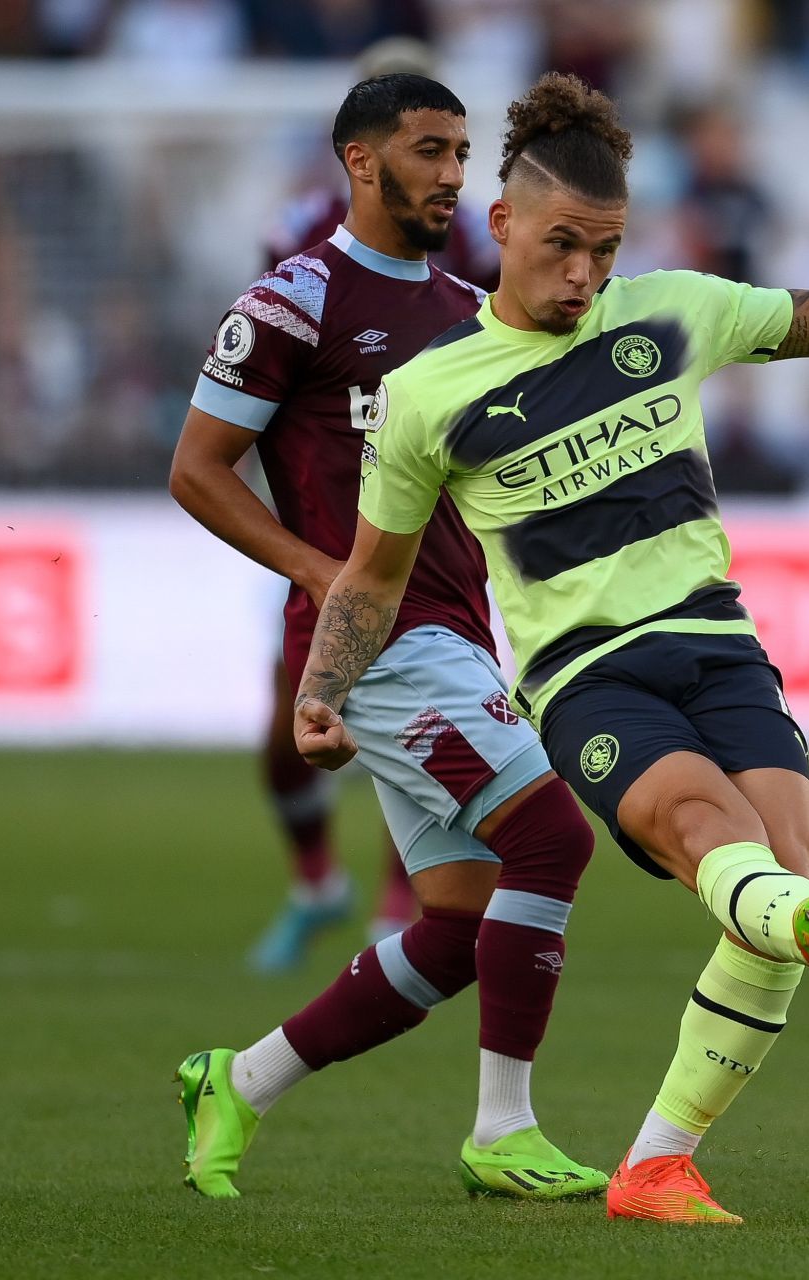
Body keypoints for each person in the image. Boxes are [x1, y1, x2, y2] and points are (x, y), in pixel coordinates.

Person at [291, 73, 809, 1223]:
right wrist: (324, 689)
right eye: (564, 246)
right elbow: (369, 575)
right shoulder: (427, 394)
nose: (585, 276)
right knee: (720, 843)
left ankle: (658, 1160)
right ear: (503, 224)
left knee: (779, 873)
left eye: (605, 252)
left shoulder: (672, 310)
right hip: (588, 677)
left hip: (721, 645)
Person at [168, 74, 604, 1202]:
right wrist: (323, 572)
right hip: (379, 644)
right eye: (429, 150)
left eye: (463, 152)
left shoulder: (469, 310)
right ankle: (503, 1130)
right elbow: (197, 469)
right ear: (362, 162)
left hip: (459, 634)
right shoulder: (293, 299)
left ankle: (238, 1079)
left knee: (457, 924)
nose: (452, 174)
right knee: (551, 838)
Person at [245, 39, 453, 974]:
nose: (442, 170)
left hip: (429, 536)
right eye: (422, 145)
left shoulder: (463, 243)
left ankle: (397, 900)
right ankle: (316, 882)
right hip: (319, 520)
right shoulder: (303, 237)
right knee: (286, 724)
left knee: (416, 739)